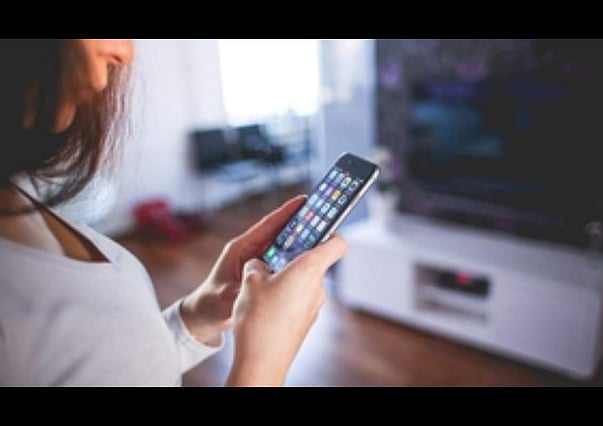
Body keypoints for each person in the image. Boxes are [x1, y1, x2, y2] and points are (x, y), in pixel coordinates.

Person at [0, 39, 347, 386]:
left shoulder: (16, 197)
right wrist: (264, 360)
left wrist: (200, 313)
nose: (125, 52)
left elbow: (120, 367)